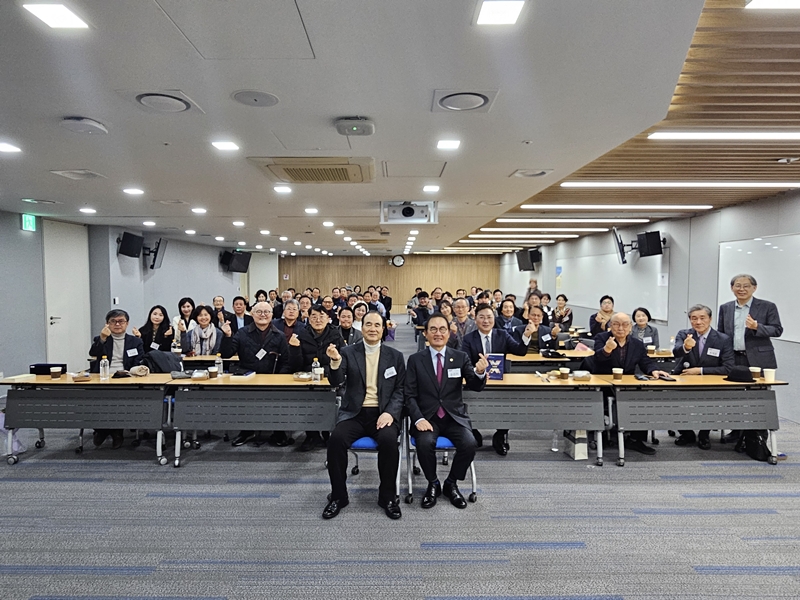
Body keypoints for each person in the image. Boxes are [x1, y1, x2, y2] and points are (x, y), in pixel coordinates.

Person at [323, 311, 406, 520]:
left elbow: (401, 390)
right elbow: (336, 381)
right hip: (355, 413)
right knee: (336, 440)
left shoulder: (395, 357)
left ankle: (387, 497)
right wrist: (334, 362)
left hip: (383, 414)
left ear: (383, 329)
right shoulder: (348, 352)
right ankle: (339, 496)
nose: (372, 329)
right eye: (368, 324)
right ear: (362, 327)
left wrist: (390, 413)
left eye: (377, 325)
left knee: (388, 442)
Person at [406, 314, 488, 509]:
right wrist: (417, 419)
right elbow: (409, 395)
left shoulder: (460, 357)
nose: (438, 333)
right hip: (427, 418)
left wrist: (479, 372)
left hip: (453, 417)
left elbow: (475, 385)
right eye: (433, 329)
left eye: (442, 329)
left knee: (470, 443)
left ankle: (451, 483)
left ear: (449, 333)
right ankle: (433, 483)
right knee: (424, 443)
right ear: (425, 334)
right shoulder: (415, 360)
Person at [220, 302, 301, 447]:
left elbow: (286, 361)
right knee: (246, 402)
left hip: (273, 379)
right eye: (259, 312)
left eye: (267, 312)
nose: (263, 315)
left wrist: (278, 378)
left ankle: (278, 432)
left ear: (272, 315)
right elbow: (226, 353)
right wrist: (227, 336)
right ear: (252, 314)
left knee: (277, 402)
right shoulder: (242, 332)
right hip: (248, 378)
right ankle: (247, 431)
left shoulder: (280, 335)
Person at [591, 312, 671, 455]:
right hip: (604, 385)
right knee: (601, 401)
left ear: (630, 327)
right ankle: (601, 437)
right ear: (610, 326)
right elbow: (596, 360)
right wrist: (607, 350)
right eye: (616, 324)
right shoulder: (601, 338)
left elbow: (645, 361)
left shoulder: (637, 344)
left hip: (627, 385)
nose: (620, 328)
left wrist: (654, 370)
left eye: (625, 324)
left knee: (642, 399)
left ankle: (636, 440)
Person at [717, 273, 783, 443]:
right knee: (734, 397)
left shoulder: (767, 306)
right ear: (732, 289)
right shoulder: (726, 308)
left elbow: (777, 329)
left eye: (746, 286)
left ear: (754, 288)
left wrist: (757, 327)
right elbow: (721, 334)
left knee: (758, 397)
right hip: (733, 358)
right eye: (737, 285)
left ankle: (757, 435)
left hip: (758, 359)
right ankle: (737, 431)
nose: (742, 289)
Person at [463, 305, 536, 456]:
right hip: (477, 381)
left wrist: (526, 335)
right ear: (475, 319)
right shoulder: (468, 339)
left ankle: (500, 435)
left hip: (500, 382)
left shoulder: (502, 334)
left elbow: (520, 351)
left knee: (506, 407)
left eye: (489, 317)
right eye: (481, 317)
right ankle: (474, 432)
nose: (486, 321)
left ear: (494, 319)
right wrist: (478, 370)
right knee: (470, 404)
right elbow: (465, 363)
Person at [671, 304, 735, 450]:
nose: (698, 322)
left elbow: (728, 367)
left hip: (710, 383)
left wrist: (700, 370)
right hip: (683, 381)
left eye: (702, 318)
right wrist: (686, 347)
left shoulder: (722, 339)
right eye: (694, 318)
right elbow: (676, 352)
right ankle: (686, 433)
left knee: (710, 402)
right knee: (672, 401)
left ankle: (704, 434)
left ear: (710, 319)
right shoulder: (684, 334)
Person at [289, 305, 345, 451]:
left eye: (322, 316)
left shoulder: (335, 334)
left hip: (330, 379)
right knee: (305, 399)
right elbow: (296, 366)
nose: (318, 320)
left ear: (328, 318)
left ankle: (328, 432)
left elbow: (342, 361)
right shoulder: (301, 334)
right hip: (308, 380)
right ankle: (312, 435)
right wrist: (294, 349)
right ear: (308, 318)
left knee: (336, 397)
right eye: (314, 316)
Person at [88, 309, 144, 449]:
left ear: (127, 323)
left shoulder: (135, 341)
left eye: (121, 321)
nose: (117, 324)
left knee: (119, 399)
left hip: (126, 378)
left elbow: (139, 361)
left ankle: (115, 431)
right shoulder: (101, 338)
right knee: (99, 398)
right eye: (113, 321)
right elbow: (93, 353)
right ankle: (103, 430)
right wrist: (102, 339)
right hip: (103, 377)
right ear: (107, 324)